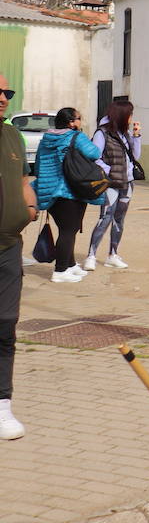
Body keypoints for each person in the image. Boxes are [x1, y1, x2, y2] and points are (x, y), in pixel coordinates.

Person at [0, 73, 38, 440]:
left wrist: (29, 207)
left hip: (9, 247)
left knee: (6, 325)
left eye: (6, 92)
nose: (2, 98)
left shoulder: (13, 134)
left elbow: (24, 179)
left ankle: (2, 405)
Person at [34, 108, 105, 283]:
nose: (80, 122)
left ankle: (71, 264)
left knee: (66, 229)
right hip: (70, 190)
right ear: (71, 122)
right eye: (79, 119)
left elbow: (37, 165)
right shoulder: (76, 136)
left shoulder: (47, 139)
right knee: (68, 231)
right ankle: (60, 271)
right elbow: (95, 153)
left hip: (50, 191)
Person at [83, 99, 140, 271]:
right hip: (110, 183)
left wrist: (136, 136)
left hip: (127, 182)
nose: (131, 118)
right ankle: (91, 255)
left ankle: (112, 254)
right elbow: (94, 156)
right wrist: (107, 170)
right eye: (129, 114)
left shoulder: (125, 134)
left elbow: (135, 156)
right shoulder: (102, 133)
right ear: (122, 115)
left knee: (119, 220)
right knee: (105, 218)